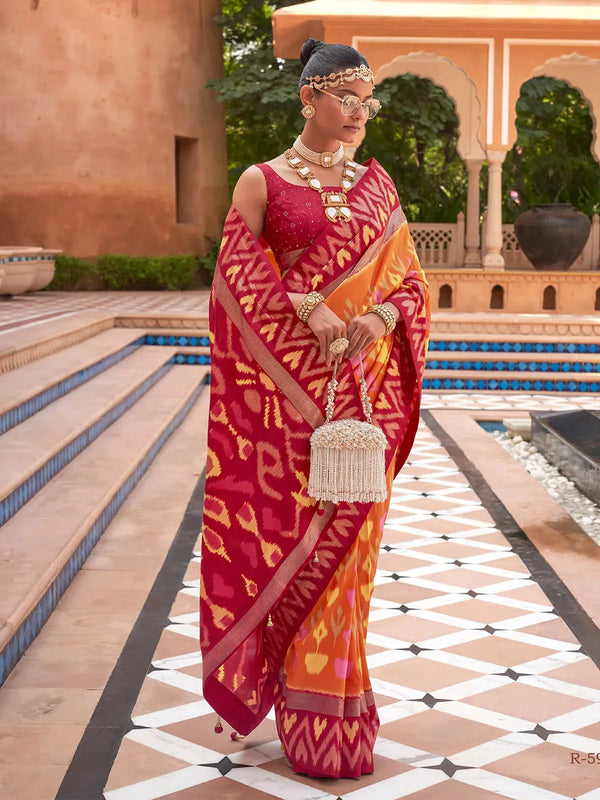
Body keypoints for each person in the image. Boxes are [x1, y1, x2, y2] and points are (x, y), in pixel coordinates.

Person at [200, 38, 430, 779]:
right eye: (345, 97)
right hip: (290, 409)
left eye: (368, 99)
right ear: (309, 99)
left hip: (365, 403)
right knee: (292, 541)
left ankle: (338, 713)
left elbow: (409, 286)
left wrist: (381, 320)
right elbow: (236, 291)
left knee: (353, 561)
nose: (360, 112)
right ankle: (296, 711)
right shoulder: (261, 182)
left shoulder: (379, 188)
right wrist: (309, 308)